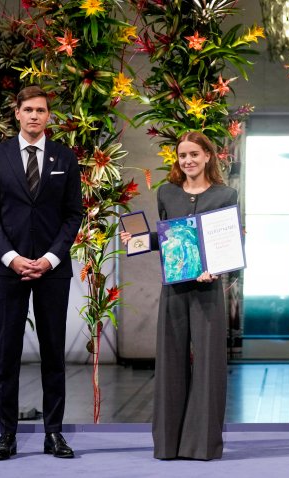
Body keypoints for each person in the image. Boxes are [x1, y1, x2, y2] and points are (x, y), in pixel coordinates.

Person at [0, 85, 83, 460]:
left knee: (54, 353)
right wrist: (11, 257)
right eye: (29, 109)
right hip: (9, 271)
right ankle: (6, 435)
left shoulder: (65, 157)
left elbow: (74, 214)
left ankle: (53, 434)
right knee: (7, 354)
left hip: (52, 272)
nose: (35, 115)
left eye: (41, 110)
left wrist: (50, 259)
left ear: (48, 116)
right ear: (17, 114)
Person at [120, 131, 237, 460]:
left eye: (194, 155)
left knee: (209, 366)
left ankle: (202, 445)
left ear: (208, 156)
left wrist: (217, 269)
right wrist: (138, 240)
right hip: (174, 288)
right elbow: (167, 236)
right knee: (170, 362)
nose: (188, 160)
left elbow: (228, 240)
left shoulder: (226, 194)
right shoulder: (166, 193)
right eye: (182, 155)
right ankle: (169, 445)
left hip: (208, 289)